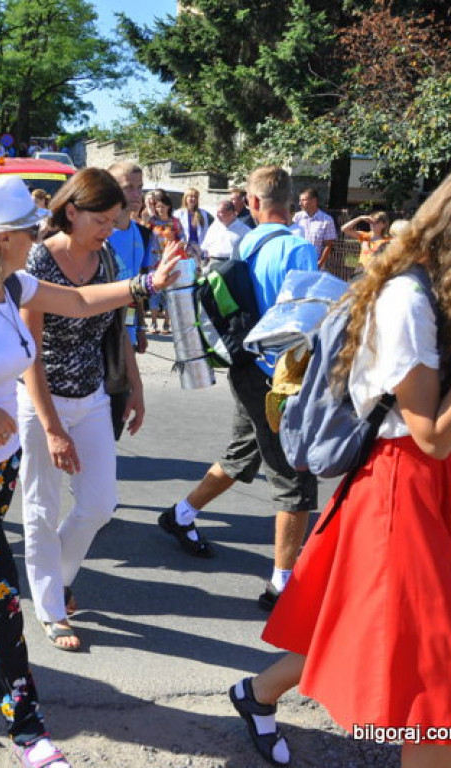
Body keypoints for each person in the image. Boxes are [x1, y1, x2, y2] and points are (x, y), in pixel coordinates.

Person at [0, 175, 180, 768]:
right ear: (1, 238)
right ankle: (30, 735)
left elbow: (75, 301)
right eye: (26, 228)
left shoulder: (12, 283)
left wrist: (147, 282)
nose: (35, 233)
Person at [229, 174, 451, 768]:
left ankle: (257, 694)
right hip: (407, 483)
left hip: (424, 483)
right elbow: (430, 434)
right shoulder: (408, 299)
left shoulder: (433, 290)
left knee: (358, 622)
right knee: (431, 676)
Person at [160, 166, 319, 608]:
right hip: (279, 376)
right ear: (290, 202)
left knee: (243, 453)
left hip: (245, 366)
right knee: (294, 479)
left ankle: (181, 514)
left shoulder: (245, 242)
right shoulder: (299, 249)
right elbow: (303, 320)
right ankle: (283, 585)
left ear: (252, 202)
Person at [18, 168, 146, 652]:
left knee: (98, 503)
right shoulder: (37, 260)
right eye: (102, 219)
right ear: (71, 212)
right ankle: (51, 611)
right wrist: (51, 427)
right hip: (39, 399)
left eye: (115, 220)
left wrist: (133, 387)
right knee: (41, 508)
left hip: (92, 396)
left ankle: (55, 576)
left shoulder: (107, 257)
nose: (109, 229)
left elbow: (116, 326)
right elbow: (28, 351)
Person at [106, 161, 154, 358]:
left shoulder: (143, 234)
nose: (137, 194)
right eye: (129, 188)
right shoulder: (98, 233)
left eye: (140, 187)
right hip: (101, 332)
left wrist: (141, 326)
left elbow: (138, 284)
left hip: (129, 330)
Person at [146, 189, 181, 334]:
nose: (160, 209)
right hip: (154, 259)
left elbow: (182, 238)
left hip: (169, 259)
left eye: (162, 206)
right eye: (158, 206)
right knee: (154, 291)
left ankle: (167, 323)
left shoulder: (174, 222)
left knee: (169, 292)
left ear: (168, 206)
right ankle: (153, 323)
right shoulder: (152, 222)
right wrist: (149, 203)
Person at [292, 188, 337, 270]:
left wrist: (320, 263)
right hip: (296, 264)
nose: (299, 203)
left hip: (315, 265)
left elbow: (328, 245)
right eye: (300, 200)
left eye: (303, 200)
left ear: (314, 201)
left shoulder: (326, 220)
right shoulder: (296, 218)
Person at [201, 199, 252, 267]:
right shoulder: (214, 227)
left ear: (231, 213)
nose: (217, 215)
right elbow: (205, 247)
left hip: (232, 265)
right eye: (217, 212)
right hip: (213, 264)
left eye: (220, 212)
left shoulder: (245, 230)